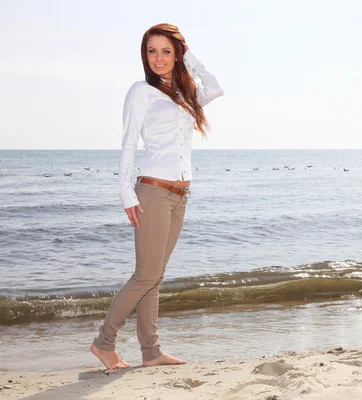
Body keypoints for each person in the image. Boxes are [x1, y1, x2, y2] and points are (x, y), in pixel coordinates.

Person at [90, 23, 224, 370]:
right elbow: (128, 142)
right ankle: (104, 342)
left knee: (155, 274)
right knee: (146, 275)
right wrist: (125, 193)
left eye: (166, 51)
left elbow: (216, 87)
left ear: (177, 53)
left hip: (181, 193)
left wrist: (188, 51)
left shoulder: (184, 95)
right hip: (152, 192)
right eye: (152, 51)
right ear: (144, 55)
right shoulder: (140, 92)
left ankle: (151, 352)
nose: (158, 58)